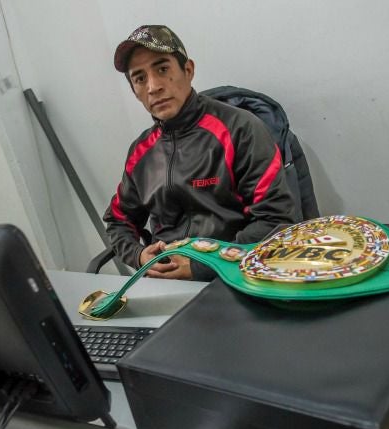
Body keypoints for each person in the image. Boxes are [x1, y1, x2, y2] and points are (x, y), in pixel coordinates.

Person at [103, 25, 296, 281]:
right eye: (140, 78)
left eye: (162, 69)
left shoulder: (240, 129)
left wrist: (204, 267)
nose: (153, 87)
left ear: (188, 70)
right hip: (167, 284)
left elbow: (276, 221)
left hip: (234, 277)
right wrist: (139, 256)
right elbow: (118, 220)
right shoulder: (141, 152)